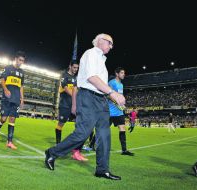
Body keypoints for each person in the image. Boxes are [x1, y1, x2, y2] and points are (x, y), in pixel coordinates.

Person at [45, 33, 125, 180]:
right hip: (88, 97)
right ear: (100, 41)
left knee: (104, 135)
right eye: (110, 43)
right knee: (82, 133)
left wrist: (109, 95)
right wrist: (113, 94)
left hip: (101, 100)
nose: (111, 46)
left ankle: (102, 169)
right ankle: (52, 152)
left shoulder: (101, 60)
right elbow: (91, 78)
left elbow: (100, 84)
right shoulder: (91, 54)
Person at [0, 51, 25, 149]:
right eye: (20, 60)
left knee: (12, 119)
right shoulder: (8, 68)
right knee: (3, 118)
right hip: (7, 98)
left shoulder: (22, 73)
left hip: (16, 99)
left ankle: (9, 142)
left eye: (23, 61)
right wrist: (6, 89)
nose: (21, 62)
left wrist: (22, 99)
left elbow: (21, 86)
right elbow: (2, 80)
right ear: (15, 59)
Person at [109, 67, 134, 156]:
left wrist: (123, 106)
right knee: (104, 129)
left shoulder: (121, 85)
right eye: (122, 73)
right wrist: (117, 102)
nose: (124, 74)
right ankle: (92, 144)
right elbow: (108, 94)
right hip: (110, 111)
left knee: (122, 128)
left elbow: (121, 97)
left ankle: (124, 150)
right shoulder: (112, 82)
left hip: (119, 112)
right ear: (117, 73)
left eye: (124, 73)